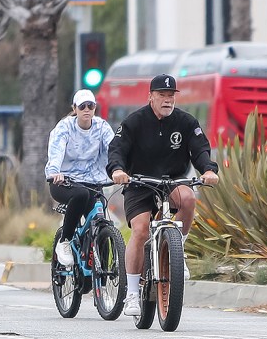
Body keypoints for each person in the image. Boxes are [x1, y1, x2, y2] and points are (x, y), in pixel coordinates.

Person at [107, 74, 219, 316]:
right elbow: (117, 149)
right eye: (162, 95)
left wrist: (208, 169)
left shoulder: (186, 122)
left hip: (172, 181)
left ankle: (178, 250)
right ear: (151, 97)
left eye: (171, 96)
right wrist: (117, 170)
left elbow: (200, 150)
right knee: (140, 230)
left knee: (188, 198)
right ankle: (133, 294)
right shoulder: (133, 122)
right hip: (139, 183)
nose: (167, 100)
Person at [45, 89, 115, 266]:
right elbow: (56, 150)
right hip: (63, 181)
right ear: (74, 108)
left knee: (100, 218)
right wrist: (55, 172)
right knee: (81, 194)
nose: (86, 109)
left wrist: (121, 169)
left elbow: (115, 148)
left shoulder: (102, 127)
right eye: (82, 106)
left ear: (94, 108)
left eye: (90, 106)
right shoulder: (65, 127)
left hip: (93, 181)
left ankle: (103, 274)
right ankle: (65, 241)